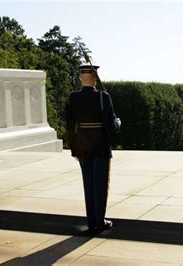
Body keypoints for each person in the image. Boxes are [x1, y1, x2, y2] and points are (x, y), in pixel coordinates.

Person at [66, 64, 121, 234]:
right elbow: (111, 127)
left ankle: (91, 221)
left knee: (88, 184)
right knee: (100, 184)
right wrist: (118, 122)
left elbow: (69, 126)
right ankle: (100, 221)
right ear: (95, 78)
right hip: (100, 146)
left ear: (81, 78)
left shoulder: (73, 98)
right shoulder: (104, 97)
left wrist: (74, 148)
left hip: (82, 147)